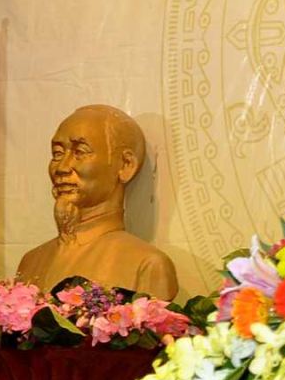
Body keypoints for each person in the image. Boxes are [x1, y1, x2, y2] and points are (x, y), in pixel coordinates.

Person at [16, 104, 178, 300]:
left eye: (80, 152)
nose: (62, 168)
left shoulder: (147, 265)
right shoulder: (31, 262)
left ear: (126, 165)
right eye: (58, 154)